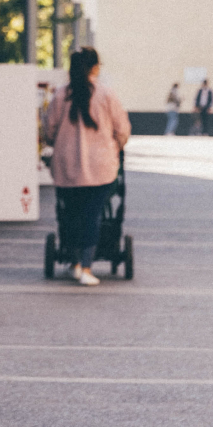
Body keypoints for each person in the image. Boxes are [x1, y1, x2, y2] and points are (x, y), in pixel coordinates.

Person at [43, 46, 131, 285]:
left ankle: (73, 262)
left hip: (67, 168)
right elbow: (122, 130)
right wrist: (116, 146)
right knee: (92, 215)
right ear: (94, 67)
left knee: (70, 214)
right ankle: (86, 267)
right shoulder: (106, 94)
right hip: (101, 168)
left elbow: (49, 130)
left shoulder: (60, 95)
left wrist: (59, 143)